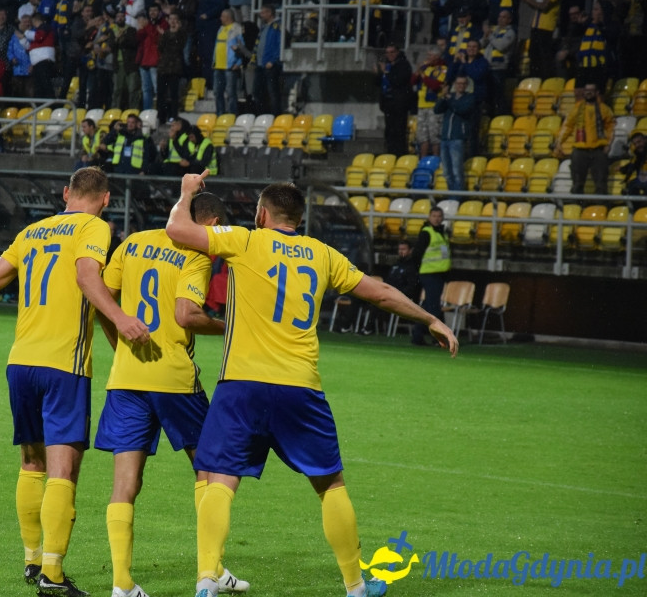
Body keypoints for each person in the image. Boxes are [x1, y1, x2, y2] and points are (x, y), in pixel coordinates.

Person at [163, 172, 458, 597]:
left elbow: (178, 229)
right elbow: (378, 292)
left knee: (221, 480)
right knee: (329, 484)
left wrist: (188, 191)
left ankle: (207, 578)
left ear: (262, 213)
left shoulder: (245, 240)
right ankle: (355, 586)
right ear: (297, 218)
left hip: (242, 385)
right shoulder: (322, 254)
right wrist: (429, 318)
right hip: (300, 386)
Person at [0, 167, 150, 597]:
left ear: (65, 193)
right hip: (65, 365)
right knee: (64, 471)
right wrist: (121, 318)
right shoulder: (94, 227)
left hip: (20, 363)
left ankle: (31, 558)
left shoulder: (33, 231)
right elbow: (87, 278)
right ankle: (53, 574)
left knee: (31, 463)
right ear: (105, 200)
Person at [96, 192, 248, 597]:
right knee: (211, 469)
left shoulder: (133, 243)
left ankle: (122, 585)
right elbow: (186, 315)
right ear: (210, 221)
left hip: (126, 378)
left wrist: (119, 343)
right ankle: (209, 572)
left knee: (124, 484)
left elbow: (101, 301)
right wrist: (231, 326)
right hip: (174, 380)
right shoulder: (195, 254)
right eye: (218, 228)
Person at [554, 83, 615, 195]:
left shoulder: (604, 109)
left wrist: (609, 144)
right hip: (580, 149)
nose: (588, 92)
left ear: (597, 93)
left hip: (598, 149)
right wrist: (559, 142)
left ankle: (599, 208)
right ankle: (577, 207)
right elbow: (568, 126)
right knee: (577, 182)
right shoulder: (576, 109)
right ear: (583, 92)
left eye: (591, 90)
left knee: (601, 183)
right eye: (586, 90)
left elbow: (611, 127)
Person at [411, 206, 451, 347]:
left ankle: (418, 335)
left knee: (429, 306)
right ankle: (436, 338)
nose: (437, 218)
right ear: (429, 217)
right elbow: (416, 254)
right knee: (433, 308)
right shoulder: (427, 233)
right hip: (429, 274)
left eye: (439, 216)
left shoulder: (442, 233)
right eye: (434, 216)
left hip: (438, 274)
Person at [521, 0, 563, 80]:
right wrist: (528, 0)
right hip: (536, 25)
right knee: (533, 55)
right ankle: (534, 81)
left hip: (546, 27)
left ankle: (546, 82)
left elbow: (544, 6)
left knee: (544, 58)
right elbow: (536, 6)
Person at [435, 76, 475, 193]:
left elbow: (461, 109)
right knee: (447, 172)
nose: (460, 86)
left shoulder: (469, 98)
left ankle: (457, 197)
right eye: (458, 83)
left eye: (463, 84)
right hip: (445, 138)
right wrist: (443, 97)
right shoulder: (450, 97)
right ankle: (451, 195)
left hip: (457, 138)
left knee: (457, 171)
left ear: (466, 85)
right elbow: (437, 109)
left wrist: (449, 99)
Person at [375, 43, 412, 156]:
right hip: (388, 104)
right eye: (387, 52)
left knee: (399, 131)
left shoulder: (403, 65)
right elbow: (377, 84)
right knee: (389, 132)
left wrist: (386, 72)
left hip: (399, 104)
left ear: (397, 52)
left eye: (392, 52)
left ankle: (399, 155)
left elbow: (398, 81)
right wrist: (378, 73)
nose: (389, 55)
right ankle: (390, 154)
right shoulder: (386, 65)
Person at [411, 47, 447, 157]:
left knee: (434, 135)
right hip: (421, 106)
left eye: (430, 56)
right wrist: (418, 72)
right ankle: (423, 160)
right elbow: (412, 81)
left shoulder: (443, 69)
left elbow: (435, 85)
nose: (427, 58)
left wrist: (422, 75)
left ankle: (435, 159)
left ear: (436, 57)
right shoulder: (425, 68)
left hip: (434, 107)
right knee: (422, 135)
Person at [212, 9, 245, 116]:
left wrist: (239, 62)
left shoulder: (237, 29)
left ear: (228, 17)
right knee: (217, 92)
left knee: (231, 92)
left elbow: (241, 47)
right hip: (218, 66)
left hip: (230, 66)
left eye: (222, 16)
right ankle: (220, 113)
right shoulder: (220, 29)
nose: (220, 18)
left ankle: (232, 114)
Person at [253, 5, 282, 116]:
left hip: (270, 65)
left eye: (264, 12)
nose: (261, 15)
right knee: (257, 92)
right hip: (260, 65)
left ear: (270, 13)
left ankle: (275, 116)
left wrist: (274, 60)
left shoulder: (277, 26)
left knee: (273, 93)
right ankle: (262, 116)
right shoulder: (264, 27)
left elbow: (279, 45)